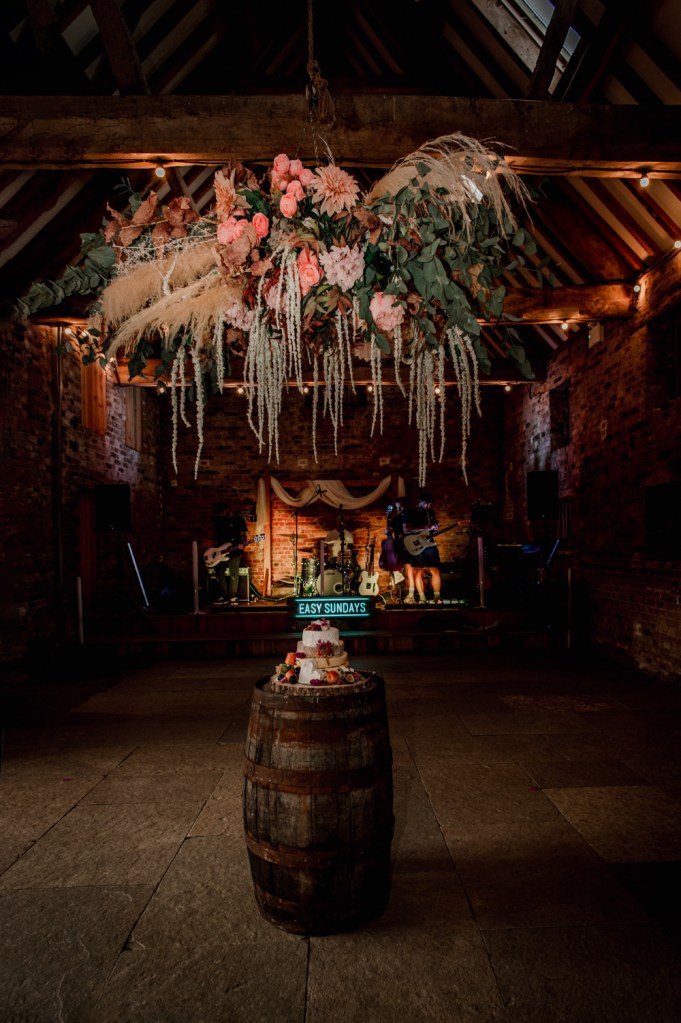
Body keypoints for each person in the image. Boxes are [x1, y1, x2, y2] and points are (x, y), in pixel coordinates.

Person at [401, 491, 442, 604]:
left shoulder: (430, 512)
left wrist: (434, 528)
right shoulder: (409, 512)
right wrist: (424, 527)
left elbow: (431, 527)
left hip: (429, 543)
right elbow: (406, 529)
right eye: (426, 503)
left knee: (435, 570)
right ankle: (422, 598)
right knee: (418, 571)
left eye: (430, 504)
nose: (428, 506)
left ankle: (437, 598)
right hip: (417, 544)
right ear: (420, 502)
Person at [208, 501, 247, 605]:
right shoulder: (219, 520)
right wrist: (213, 548)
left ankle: (232, 596)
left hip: (234, 549)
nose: (221, 515)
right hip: (220, 551)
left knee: (234, 573)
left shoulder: (238, 519)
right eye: (219, 513)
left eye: (222, 512)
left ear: (227, 510)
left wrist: (243, 544)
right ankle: (223, 596)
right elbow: (215, 535)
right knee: (219, 573)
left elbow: (243, 534)